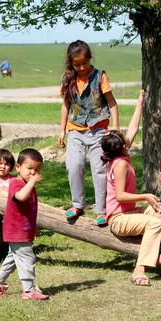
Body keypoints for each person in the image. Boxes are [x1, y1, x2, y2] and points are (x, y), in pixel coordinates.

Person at [101, 90, 161, 286]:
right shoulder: (119, 164)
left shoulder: (120, 152)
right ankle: (140, 268)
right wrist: (145, 196)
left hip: (129, 213)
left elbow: (133, 128)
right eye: (124, 140)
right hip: (118, 219)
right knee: (154, 224)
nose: (127, 138)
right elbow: (120, 196)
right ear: (122, 147)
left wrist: (140, 103)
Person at [58, 40, 120, 226]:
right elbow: (65, 105)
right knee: (74, 165)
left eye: (85, 63)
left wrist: (115, 128)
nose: (82, 67)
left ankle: (102, 210)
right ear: (71, 63)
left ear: (90, 58)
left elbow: (112, 102)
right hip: (75, 128)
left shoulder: (100, 77)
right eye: (77, 64)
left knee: (99, 169)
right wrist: (62, 130)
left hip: (98, 129)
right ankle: (78, 204)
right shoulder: (67, 78)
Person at [0, 148, 50, 300]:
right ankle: (28, 291)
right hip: (15, 230)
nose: (33, 173)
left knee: (14, 258)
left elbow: (31, 209)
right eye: (29, 169)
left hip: (23, 230)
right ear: (18, 167)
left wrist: (33, 226)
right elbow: (21, 197)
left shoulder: (30, 185)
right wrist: (32, 182)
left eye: (37, 170)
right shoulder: (15, 183)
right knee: (27, 258)